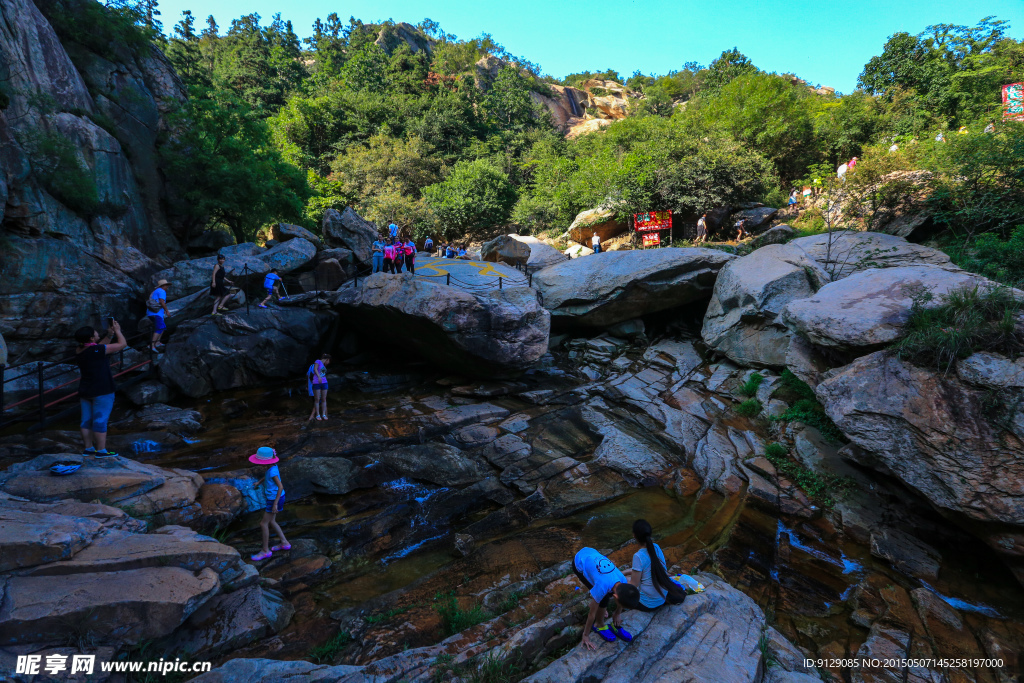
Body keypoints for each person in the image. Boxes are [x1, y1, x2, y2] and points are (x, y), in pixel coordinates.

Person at [74, 321, 127, 458]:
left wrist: (109, 334)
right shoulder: (96, 350)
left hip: (86, 390)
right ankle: (101, 451)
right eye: (94, 332)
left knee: (86, 421)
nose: (97, 332)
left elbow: (98, 347)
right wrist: (118, 331)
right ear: (91, 338)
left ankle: (88, 448)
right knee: (100, 420)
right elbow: (122, 345)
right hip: (102, 389)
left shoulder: (80, 349)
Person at [574, 547, 641, 650]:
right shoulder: (602, 586)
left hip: (591, 553)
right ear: (615, 597)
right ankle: (598, 624)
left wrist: (617, 613)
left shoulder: (622, 580)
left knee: (604, 595)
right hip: (579, 561)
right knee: (603, 598)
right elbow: (591, 614)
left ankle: (598, 605)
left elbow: (620, 596)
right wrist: (586, 635)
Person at [626, 520, 687, 611]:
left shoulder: (638, 556)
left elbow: (634, 585)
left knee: (625, 580)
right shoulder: (656, 547)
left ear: (634, 535)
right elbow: (645, 570)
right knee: (628, 576)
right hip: (661, 598)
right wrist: (623, 572)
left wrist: (620, 577)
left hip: (647, 604)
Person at [249, 446, 290, 561]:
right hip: (277, 498)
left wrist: (275, 504)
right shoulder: (272, 467)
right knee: (272, 521)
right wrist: (259, 482)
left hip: (274, 499)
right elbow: (268, 477)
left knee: (263, 524)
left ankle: (265, 551)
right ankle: (284, 542)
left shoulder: (272, 471)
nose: (259, 464)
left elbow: (280, 486)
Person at [146, 279, 170, 352]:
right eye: (167, 285)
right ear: (163, 286)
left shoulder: (155, 291)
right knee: (159, 328)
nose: (167, 287)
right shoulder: (162, 291)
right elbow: (162, 302)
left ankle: (157, 342)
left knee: (162, 327)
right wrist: (167, 311)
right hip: (156, 313)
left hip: (151, 313)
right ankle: (152, 345)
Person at [307, 353, 330, 421]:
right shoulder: (318, 361)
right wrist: (319, 376)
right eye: (329, 360)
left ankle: (323, 414)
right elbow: (315, 369)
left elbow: (323, 374)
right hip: (317, 383)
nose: (329, 362)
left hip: (324, 383)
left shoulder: (324, 366)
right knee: (317, 399)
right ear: (327, 359)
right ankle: (317, 415)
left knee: (324, 399)